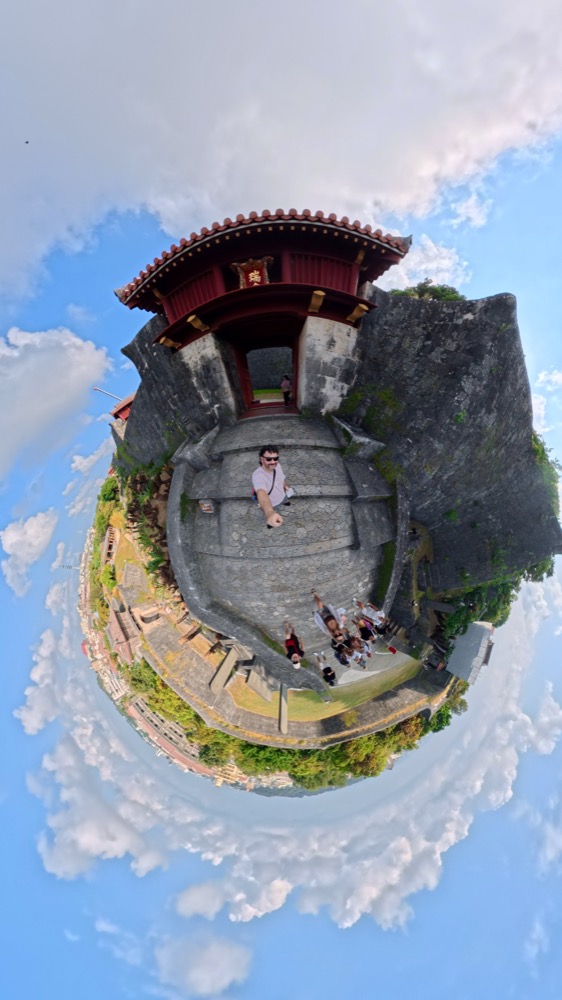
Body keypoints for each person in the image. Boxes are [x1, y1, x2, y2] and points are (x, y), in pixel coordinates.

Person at [252, 445, 292, 528]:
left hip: (282, 495)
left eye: (276, 458)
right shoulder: (258, 475)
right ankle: (270, 523)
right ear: (261, 459)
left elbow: (281, 478)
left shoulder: (278, 466)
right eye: (269, 459)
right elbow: (261, 492)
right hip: (271, 503)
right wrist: (270, 513)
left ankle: (285, 502)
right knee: (270, 516)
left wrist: (285, 485)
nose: (273, 462)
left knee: (285, 500)